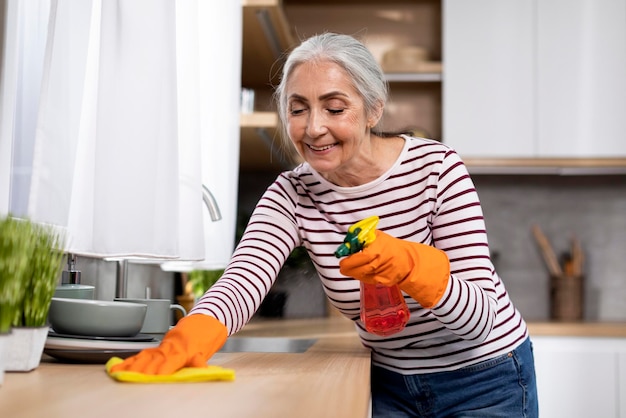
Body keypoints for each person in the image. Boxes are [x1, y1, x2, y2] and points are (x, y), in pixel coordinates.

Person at [112, 32, 538, 417]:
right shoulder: (292, 193)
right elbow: (241, 283)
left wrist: (412, 265)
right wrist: (188, 337)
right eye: (298, 110)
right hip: (388, 385)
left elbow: (480, 319)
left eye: (335, 108)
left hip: (487, 379)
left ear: (373, 109)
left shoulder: (436, 168)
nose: (314, 128)